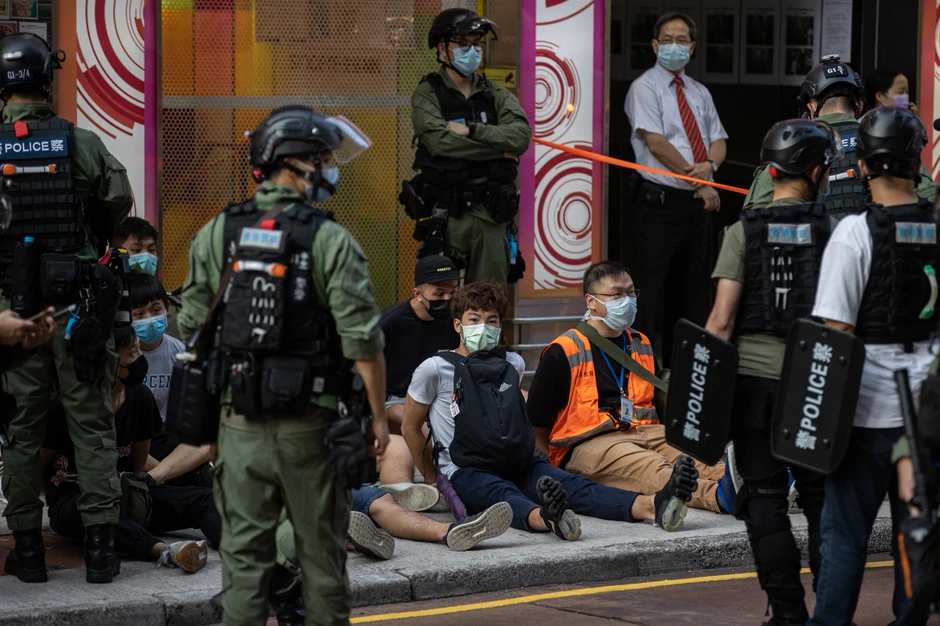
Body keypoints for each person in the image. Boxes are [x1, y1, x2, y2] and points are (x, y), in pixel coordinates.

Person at [178, 105, 390, 625]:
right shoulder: (329, 239)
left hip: (237, 427)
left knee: (245, 567)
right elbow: (363, 341)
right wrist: (379, 419)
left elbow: (189, 323)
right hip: (310, 429)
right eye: (323, 158)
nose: (330, 169)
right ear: (295, 164)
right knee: (321, 565)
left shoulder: (216, 231)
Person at [401, 280, 701, 541]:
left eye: (491, 321)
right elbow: (410, 428)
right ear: (458, 325)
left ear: (500, 326)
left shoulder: (513, 364)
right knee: (502, 495)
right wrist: (431, 479)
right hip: (466, 470)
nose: (483, 327)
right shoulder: (434, 369)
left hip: (516, 460)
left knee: (575, 486)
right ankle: (547, 518)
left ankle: (652, 505)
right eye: (474, 319)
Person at [0, 33, 134, 585]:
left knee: (20, 430)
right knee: (91, 426)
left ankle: (28, 551)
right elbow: (118, 201)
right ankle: (101, 553)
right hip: (76, 306)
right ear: (46, 79)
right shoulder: (78, 142)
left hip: (13, 312)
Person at [807, 106, 935, 626]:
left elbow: (834, 334)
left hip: (862, 416)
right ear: (915, 162)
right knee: (918, 533)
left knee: (844, 540)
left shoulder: (854, 233)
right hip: (927, 418)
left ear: (861, 164)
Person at [706, 119, 837, 625]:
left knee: (763, 498)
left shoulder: (742, 232)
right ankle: (832, 610)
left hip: (754, 390)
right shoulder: (836, 233)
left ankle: (786, 614)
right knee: (823, 502)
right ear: (819, 171)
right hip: (817, 384)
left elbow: (720, 323)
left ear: (771, 170)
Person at [527, 261, 735, 515]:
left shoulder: (641, 342)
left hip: (647, 431)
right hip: (592, 441)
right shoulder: (564, 350)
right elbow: (537, 420)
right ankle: (720, 496)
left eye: (631, 292)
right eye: (616, 294)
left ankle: (753, 485)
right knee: (655, 469)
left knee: (705, 459)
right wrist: (559, 467)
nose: (626, 300)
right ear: (591, 301)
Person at [41, 326, 220, 574]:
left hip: (128, 493)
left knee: (204, 498)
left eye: (138, 351)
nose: (139, 359)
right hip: (75, 502)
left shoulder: (140, 397)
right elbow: (38, 466)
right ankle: (167, 551)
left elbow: (137, 464)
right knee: (100, 514)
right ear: (107, 361)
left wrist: (139, 489)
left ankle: (231, 544)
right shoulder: (64, 406)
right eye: (131, 354)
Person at [624, 11, 728, 367]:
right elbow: (656, 144)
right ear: (654, 45)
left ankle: (684, 373)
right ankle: (647, 376)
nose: (674, 46)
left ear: (693, 47)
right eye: (667, 39)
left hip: (695, 208)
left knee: (694, 296)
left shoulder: (699, 92)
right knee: (650, 296)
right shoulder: (644, 87)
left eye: (681, 40)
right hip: (660, 205)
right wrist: (702, 183)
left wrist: (710, 168)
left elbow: (719, 142)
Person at [409, 8, 531, 290]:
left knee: (486, 300)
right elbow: (440, 142)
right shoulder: (427, 93)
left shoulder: (494, 93)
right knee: (438, 298)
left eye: (476, 44)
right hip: (447, 215)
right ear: (442, 48)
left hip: (490, 212)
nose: (472, 51)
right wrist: (498, 151)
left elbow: (521, 137)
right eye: (463, 45)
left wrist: (475, 130)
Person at [744, 55, 937, 216]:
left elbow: (755, 217)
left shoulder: (791, 146)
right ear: (859, 106)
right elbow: (929, 198)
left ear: (811, 109)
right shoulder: (886, 141)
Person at [381, 254, 460, 432]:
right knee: (422, 426)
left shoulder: (454, 319)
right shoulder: (389, 322)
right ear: (417, 294)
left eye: (453, 292)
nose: (447, 299)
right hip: (397, 399)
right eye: (439, 293)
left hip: (440, 397)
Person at [110, 216, 184, 341]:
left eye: (151, 250)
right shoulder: (105, 305)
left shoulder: (173, 312)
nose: (146, 256)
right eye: (136, 250)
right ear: (114, 254)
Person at [126, 273, 186, 421]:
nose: (149, 319)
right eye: (139, 314)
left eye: (155, 310)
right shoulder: (122, 356)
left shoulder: (180, 352)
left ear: (167, 307)